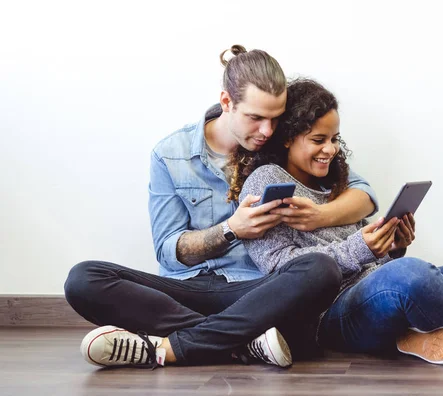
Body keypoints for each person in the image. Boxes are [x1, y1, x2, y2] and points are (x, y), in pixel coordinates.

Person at [63, 45, 381, 369]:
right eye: (256, 118)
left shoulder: (279, 140)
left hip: (259, 292)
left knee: (319, 269)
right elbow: (169, 249)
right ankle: (242, 343)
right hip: (185, 290)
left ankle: (175, 346)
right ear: (227, 102)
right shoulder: (170, 154)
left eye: (274, 118)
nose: (267, 130)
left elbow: (362, 193)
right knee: (84, 278)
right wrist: (232, 230)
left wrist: (319, 215)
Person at [230, 78, 443, 365]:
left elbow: (369, 258)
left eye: (335, 139)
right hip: (332, 313)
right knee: (411, 274)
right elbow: (281, 272)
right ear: (288, 138)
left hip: (378, 287)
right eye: (318, 140)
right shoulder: (267, 181)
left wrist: (394, 248)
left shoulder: (333, 181)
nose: (330, 150)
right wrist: (367, 251)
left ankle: (429, 333)